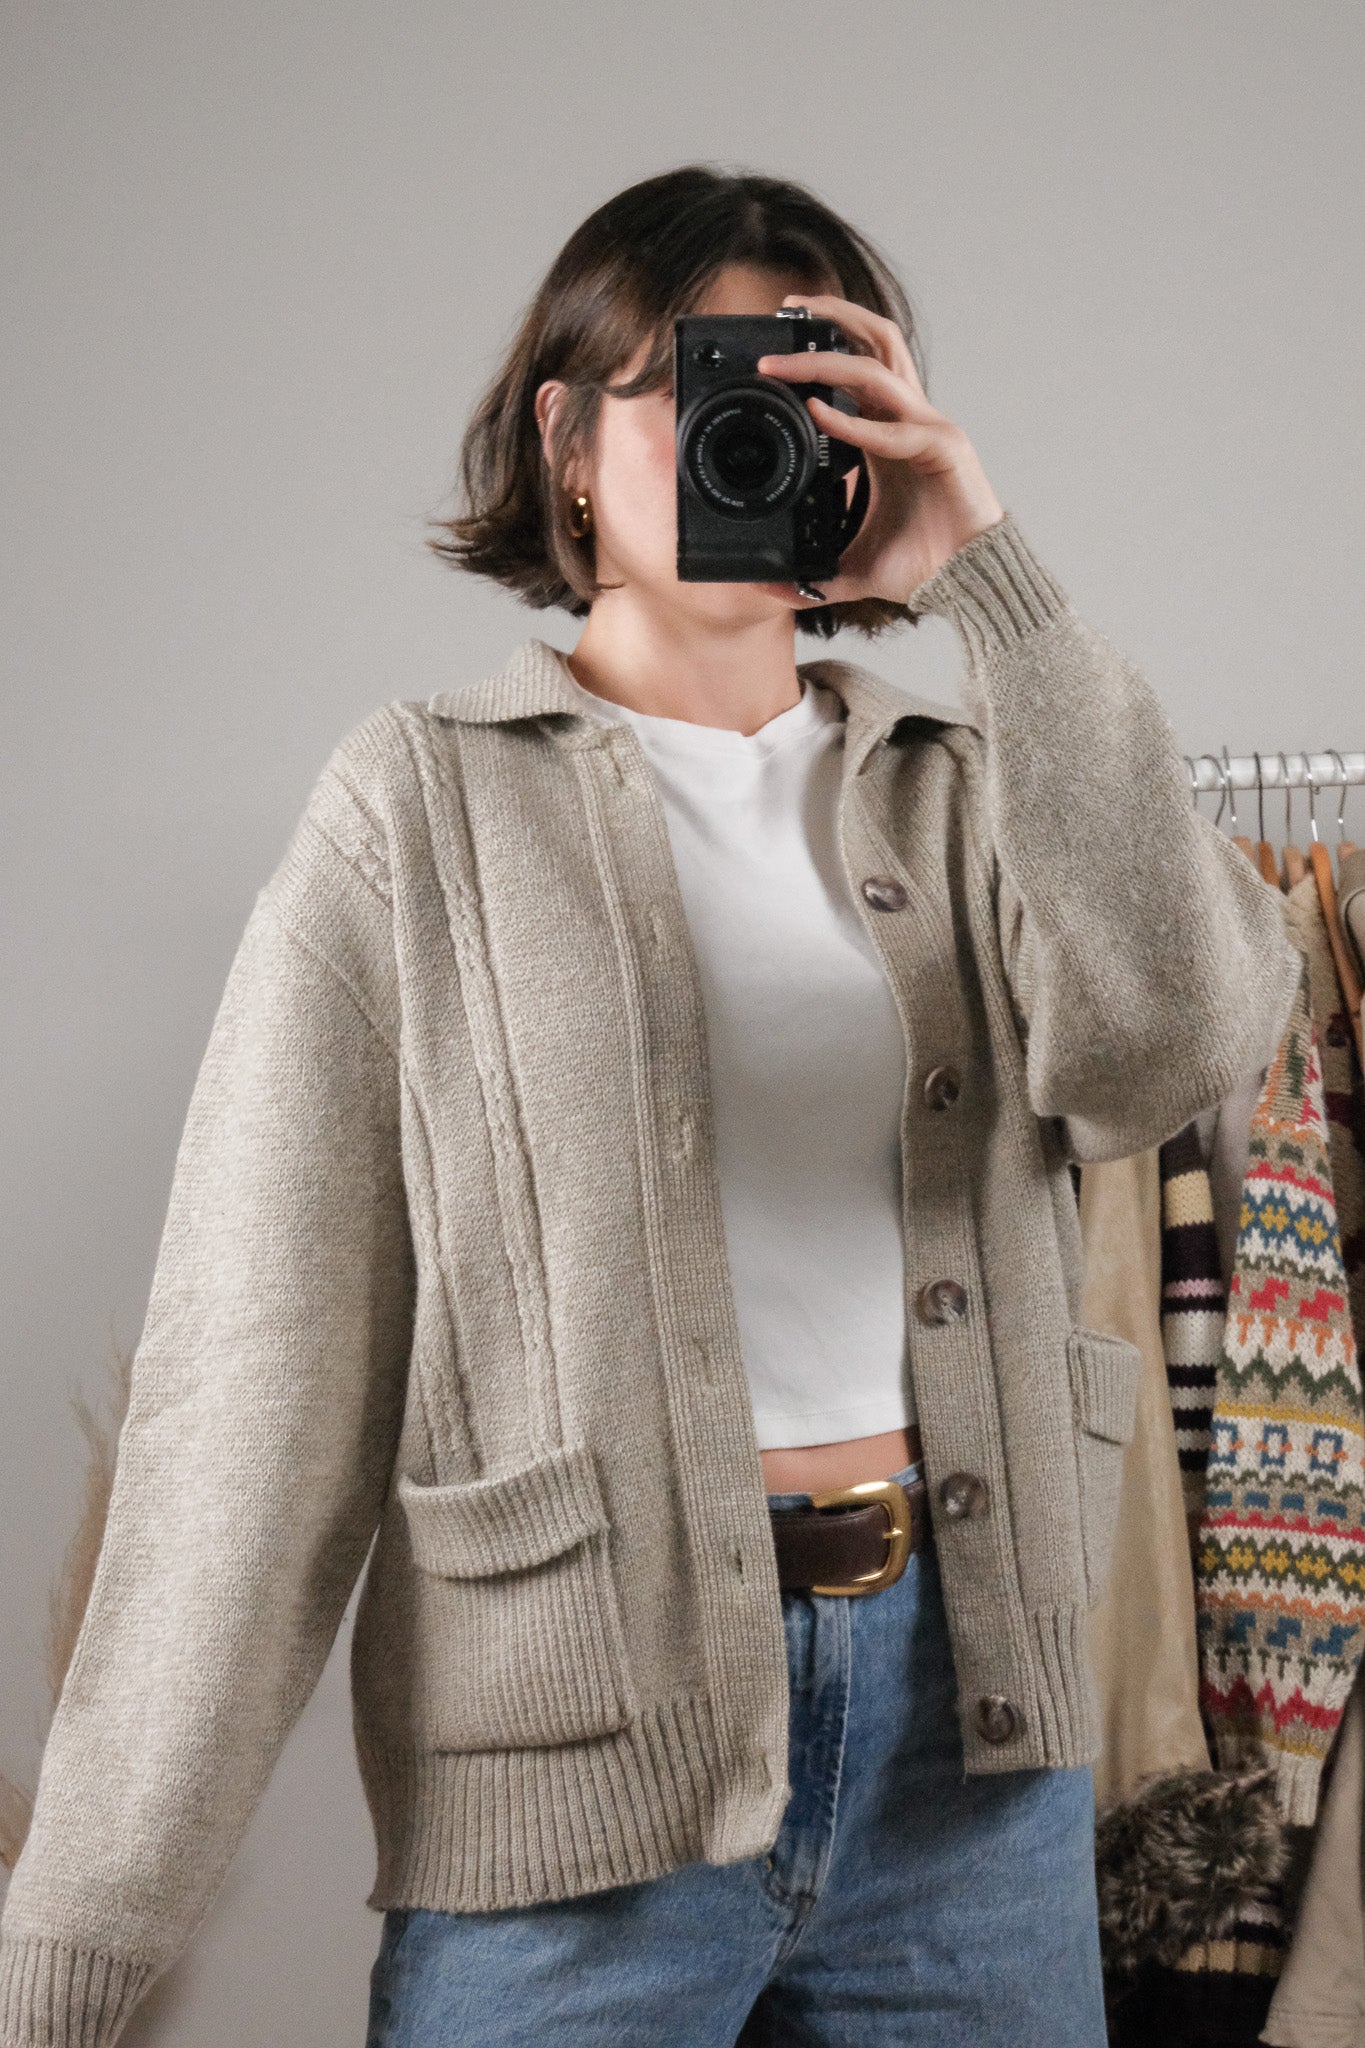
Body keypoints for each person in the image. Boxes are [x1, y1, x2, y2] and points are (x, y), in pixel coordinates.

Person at [0, 166, 1301, 2048]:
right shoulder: (419, 812)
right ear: (565, 441)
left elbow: (1174, 1043)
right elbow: (256, 1371)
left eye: (811, 394)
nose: (749, 434)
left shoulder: (966, 794)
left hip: (969, 1759)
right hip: (576, 1769)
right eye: (699, 385)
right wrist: (83, 1942)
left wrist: (991, 585)